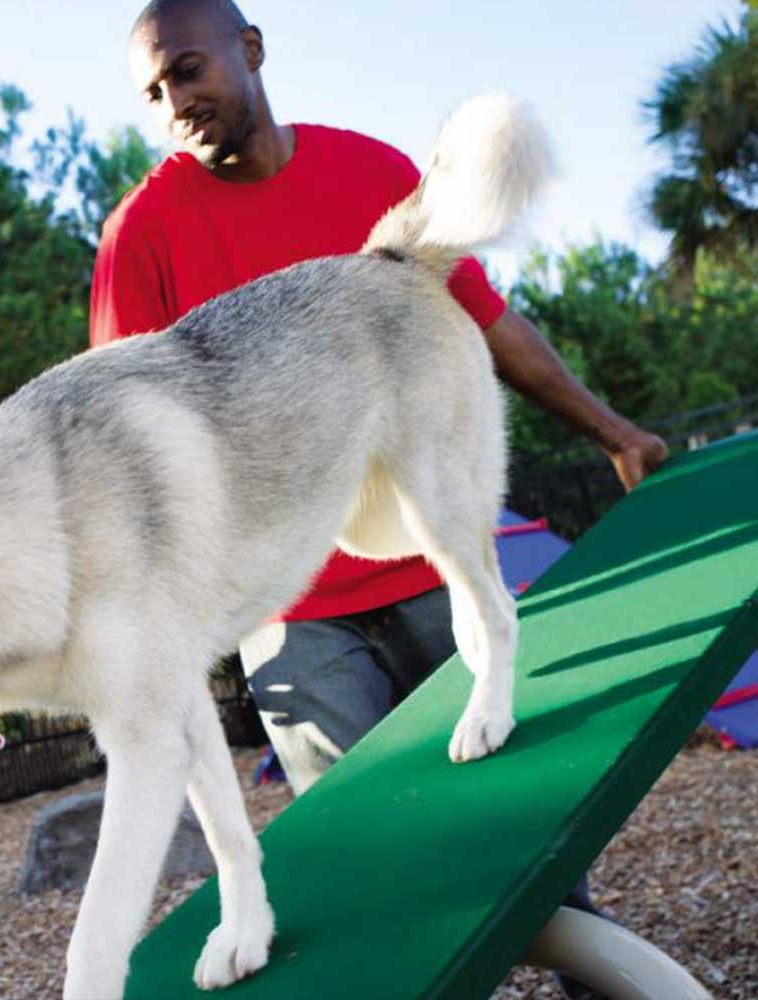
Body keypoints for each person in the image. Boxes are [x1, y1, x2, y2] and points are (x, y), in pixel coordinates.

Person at [90, 2, 669, 995]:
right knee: (385, 866)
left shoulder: (367, 171)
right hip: (295, 619)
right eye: (153, 91)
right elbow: (129, 441)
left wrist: (613, 430)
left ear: (250, 50)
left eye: (188, 70)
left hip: (429, 575)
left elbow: (487, 321)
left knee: (528, 835)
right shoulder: (141, 235)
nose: (175, 102)